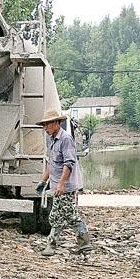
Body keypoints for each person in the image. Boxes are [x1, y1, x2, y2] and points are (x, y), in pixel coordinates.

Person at [36, 109, 89, 257]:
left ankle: (81, 242)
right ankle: (59, 244)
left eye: (47, 125)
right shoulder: (51, 139)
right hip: (57, 186)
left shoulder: (66, 139)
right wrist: (43, 181)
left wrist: (61, 184)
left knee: (66, 214)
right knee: (58, 215)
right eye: (44, 125)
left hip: (66, 186)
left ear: (56, 123)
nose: (45, 128)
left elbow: (69, 163)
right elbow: (51, 163)